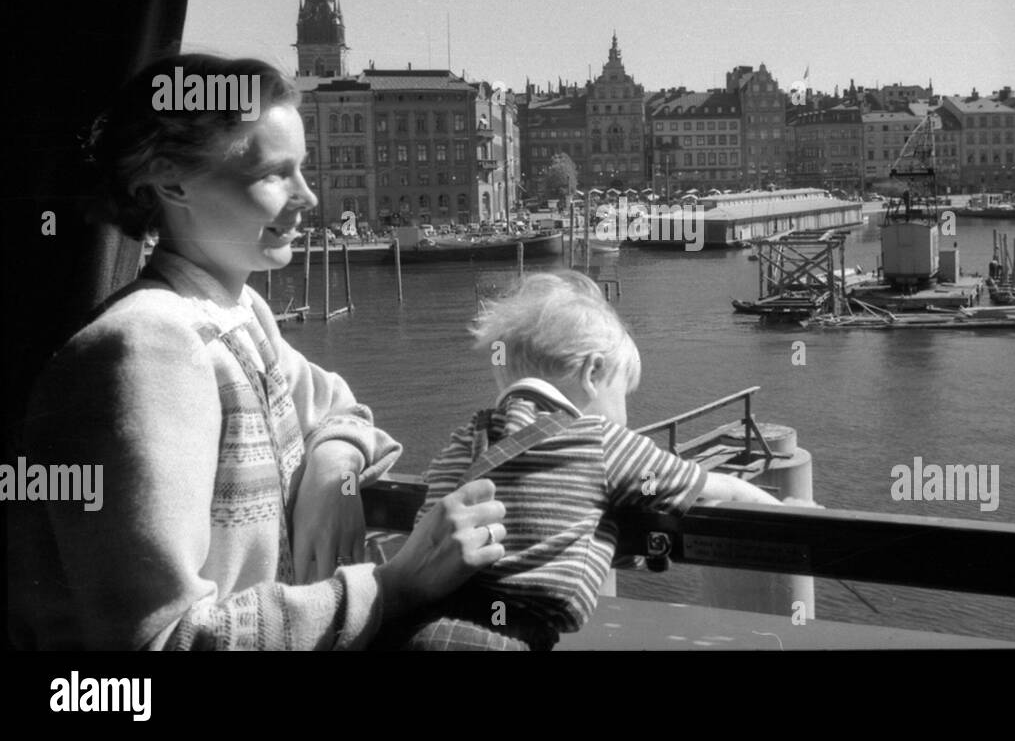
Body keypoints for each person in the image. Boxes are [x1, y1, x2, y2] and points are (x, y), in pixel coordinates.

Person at [7, 53, 507, 650]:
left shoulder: (236, 314)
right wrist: (395, 584)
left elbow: (337, 405)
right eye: (275, 174)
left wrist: (333, 466)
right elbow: (161, 642)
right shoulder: (146, 349)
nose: (310, 197)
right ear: (172, 181)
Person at [391, 270, 790, 651]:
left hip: (415, 627)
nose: (626, 414)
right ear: (593, 372)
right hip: (505, 639)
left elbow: (429, 519)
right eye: (622, 394)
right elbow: (709, 488)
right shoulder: (602, 441)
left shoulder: (465, 439)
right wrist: (787, 513)